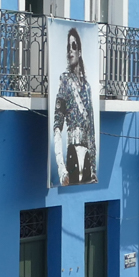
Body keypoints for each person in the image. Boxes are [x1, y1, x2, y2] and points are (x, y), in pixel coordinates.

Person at [50, 26, 98, 186]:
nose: (70, 51)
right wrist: (61, 168)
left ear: (80, 52)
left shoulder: (87, 87)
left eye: (74, 47)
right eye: (68, 48)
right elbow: (57, 127)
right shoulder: (64, 81)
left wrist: (94, 169)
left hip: (87, 157)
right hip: (72, 153)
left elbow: (91, 130)